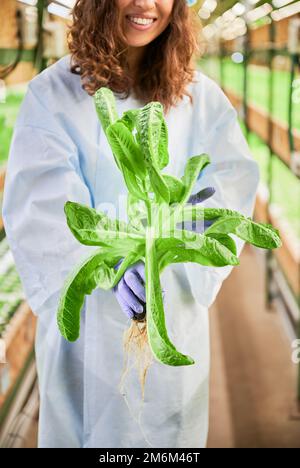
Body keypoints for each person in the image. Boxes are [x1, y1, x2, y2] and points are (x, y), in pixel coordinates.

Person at [2, 0, 260, 448]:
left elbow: (232, 179)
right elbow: (42, 207)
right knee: (89, 428)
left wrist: (199, 231)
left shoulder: (199, 97)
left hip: (170, 303)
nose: (145, 5)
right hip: (88, 325)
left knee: (167, 436)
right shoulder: (54, 94)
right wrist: (105, 265)